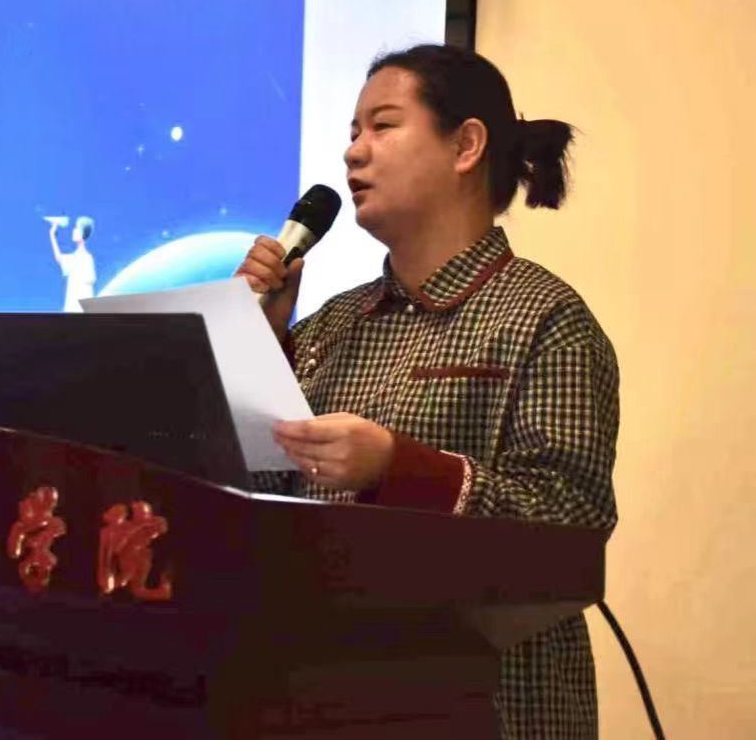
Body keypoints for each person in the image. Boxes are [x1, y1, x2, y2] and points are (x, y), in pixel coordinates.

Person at [236, 44, 618, 739]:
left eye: (382, 126)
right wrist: (261, 342)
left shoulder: (545, 318)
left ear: (466, 145)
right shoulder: (333, 322)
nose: (354, 151)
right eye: (353, 132)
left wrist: (398, 467)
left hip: (493, 708)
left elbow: (570, 528)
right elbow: (260, 499)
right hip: (324, 698)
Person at [49, 215, 97, 312]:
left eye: (76, 228)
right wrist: (52, 236)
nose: (73, 231)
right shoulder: (75, 258)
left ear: (82, 233)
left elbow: (88, 287)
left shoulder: (86, 258)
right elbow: (59, 258)